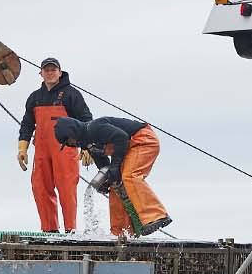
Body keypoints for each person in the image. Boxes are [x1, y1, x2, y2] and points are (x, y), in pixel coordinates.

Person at [53, 115, 170, 237]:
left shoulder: (94, 128)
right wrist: (108, 180)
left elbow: (121, 138)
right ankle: (121, 232)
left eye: (68, 140)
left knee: (129, 176)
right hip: (128, 149)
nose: (70, 144)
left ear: (73, 132)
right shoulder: (89, 144)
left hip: (143, 140)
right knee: (115, 185)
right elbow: (104, 165)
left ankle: (156, 216)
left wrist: (115, 166)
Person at [15, 58, 92, 232]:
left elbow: (86, 120)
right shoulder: (34, 98)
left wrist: (88, 146)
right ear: (41, 73)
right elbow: (27, 125)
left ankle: (70, 230)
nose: (50, 73)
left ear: (60, 72)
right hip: (42, 151)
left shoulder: (72, 94)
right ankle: (50, 230)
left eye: (53, 70)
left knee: (66, 188)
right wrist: (22, 148)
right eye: (46, 70)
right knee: (40, 187)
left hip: (65, 149)